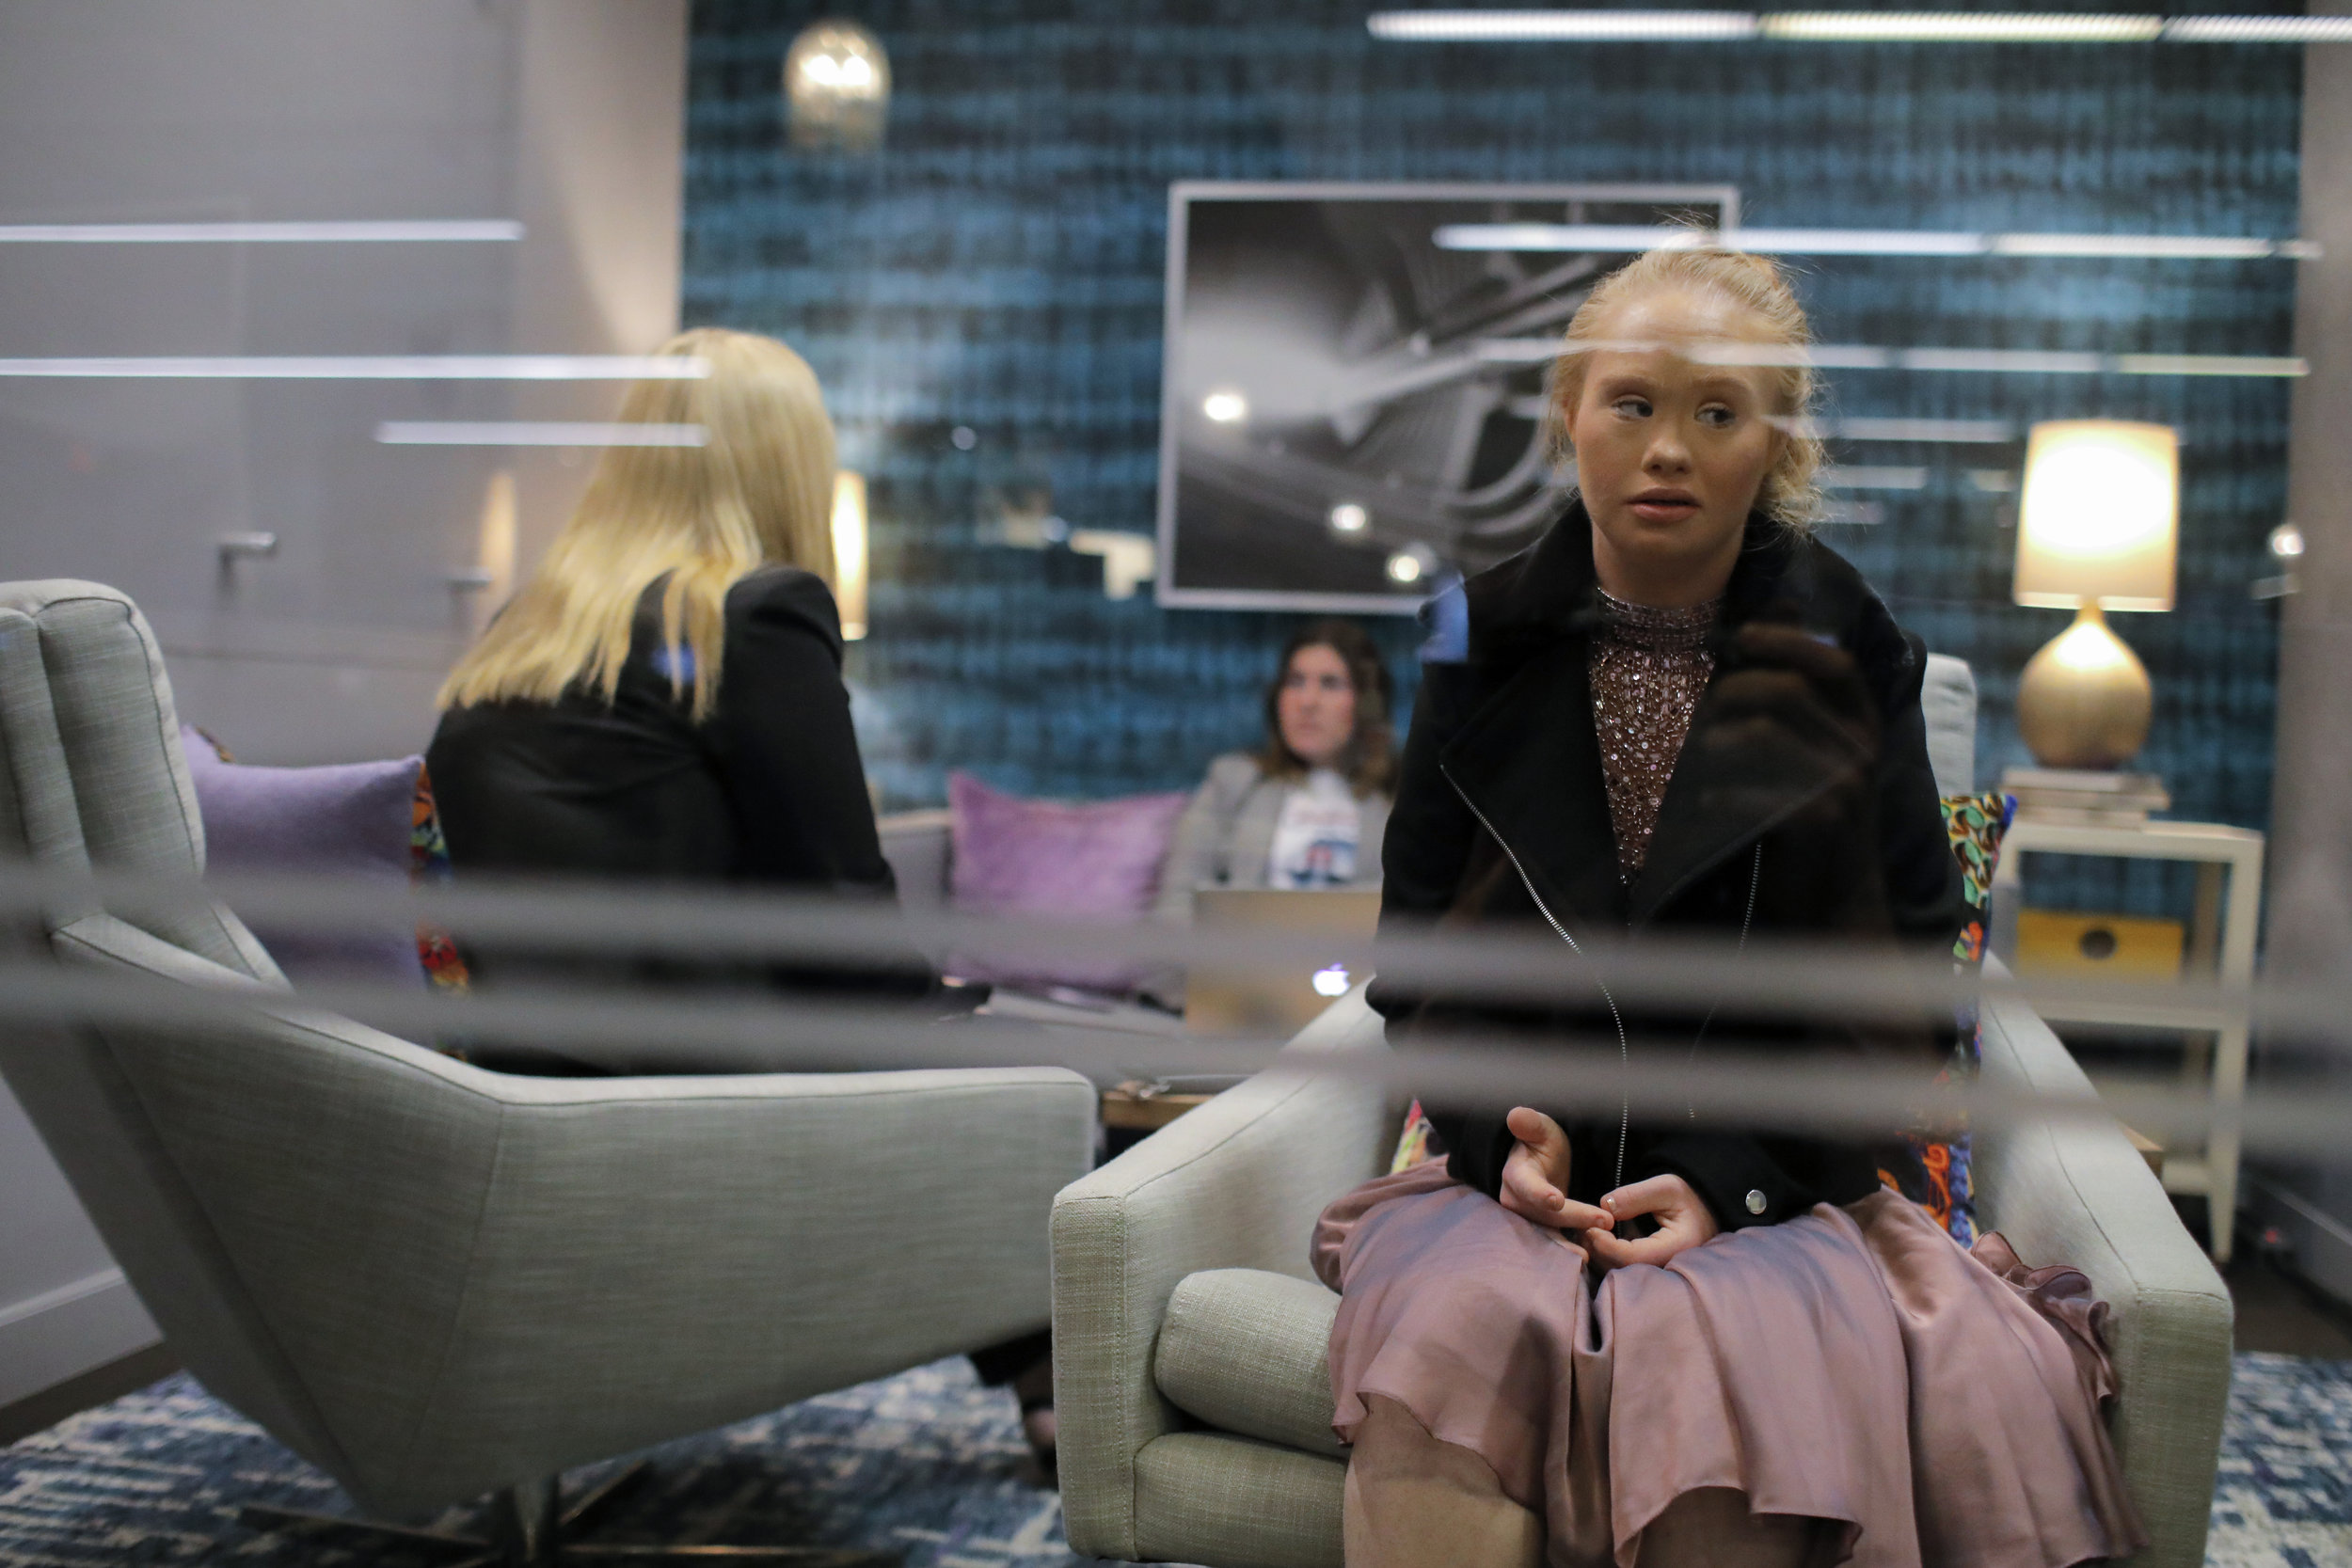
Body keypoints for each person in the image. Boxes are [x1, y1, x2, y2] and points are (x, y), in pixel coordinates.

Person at [1321, 248, 2145, 1568]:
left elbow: (1903, 984)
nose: (1669, 447)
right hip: (1516, 1184)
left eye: (1718, 411)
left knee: (1730, 1406)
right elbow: (1418, 957)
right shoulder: (1470, 639)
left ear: (1776, 441)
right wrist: (1496, 1137)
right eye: (1632, 402)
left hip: (1774, 1184)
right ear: (1568, 413)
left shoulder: (1852, 649)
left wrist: (1734, 1177)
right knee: (1438, 1382)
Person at [427, 326, 916, 997]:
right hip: (673, 1048)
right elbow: (844, 917)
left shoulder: (530, 621)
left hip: (498, 1039)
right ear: (793, 469)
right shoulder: (754, 616)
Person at [1153, 619, 1397, 926]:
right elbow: (1176, 902)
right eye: (1295, 682)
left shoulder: (1399, 796)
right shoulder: (1233, 780)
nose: (1307, 702)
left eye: (1330, 683)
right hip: (1242, 954)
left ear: (1368, 702)